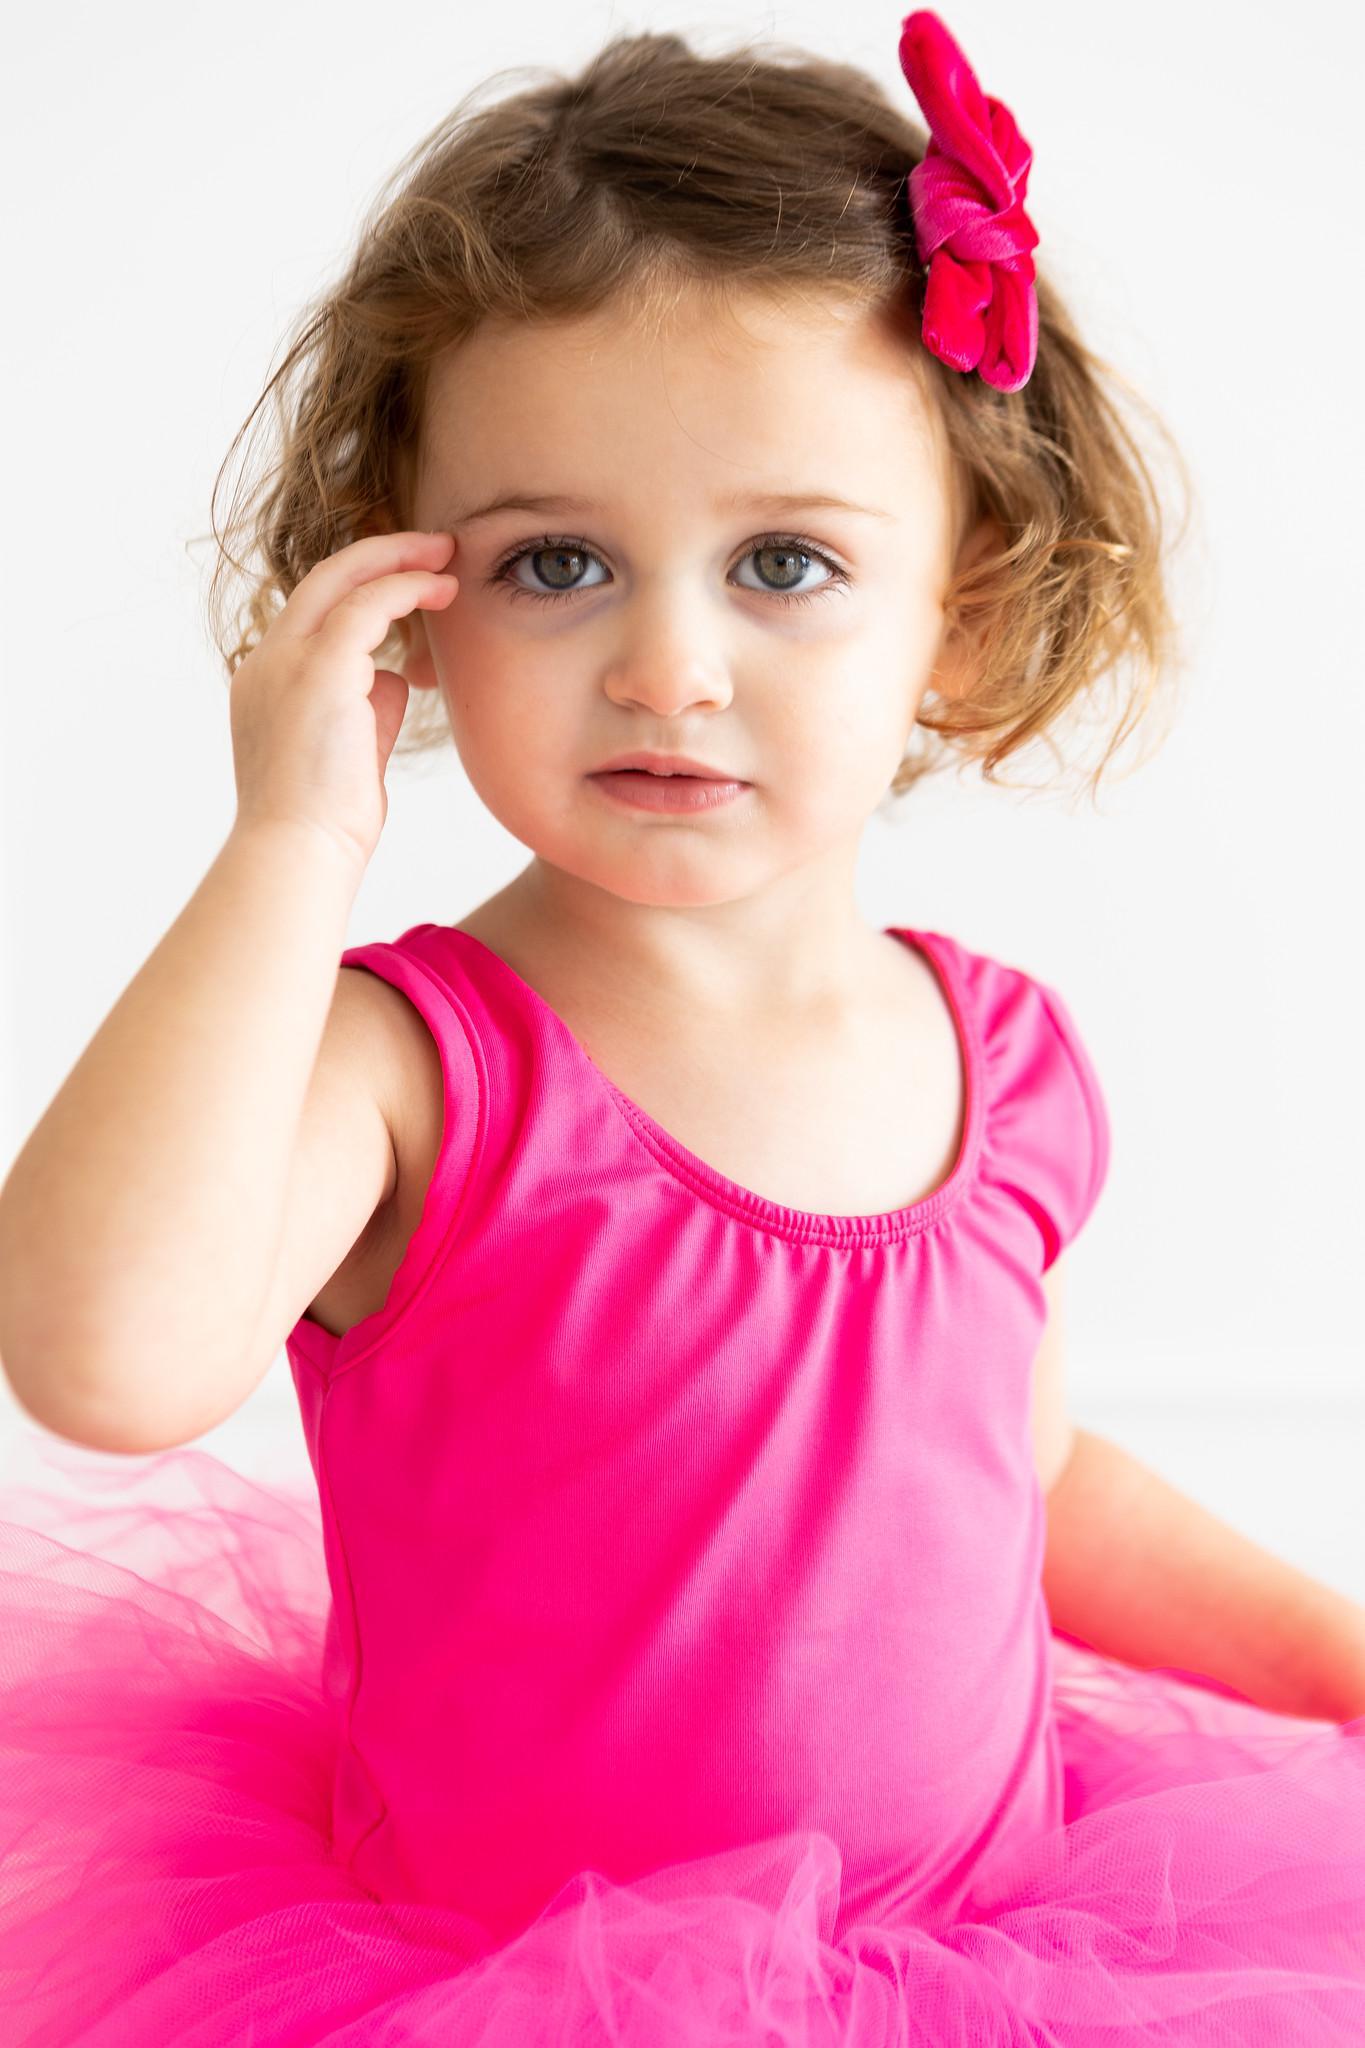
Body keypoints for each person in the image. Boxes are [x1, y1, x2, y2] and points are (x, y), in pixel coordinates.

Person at [1, 11, 1363, 2041]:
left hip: (972, 1973)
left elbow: (1023, 1466)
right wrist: (294, 835)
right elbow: (104, 1359)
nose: (664, 664)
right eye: (556, 561)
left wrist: (1333, 1661)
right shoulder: (418, 1071)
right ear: (414, 598)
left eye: (784, 564)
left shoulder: (1002, 1067)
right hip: (490, 1985)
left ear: (958, 616)